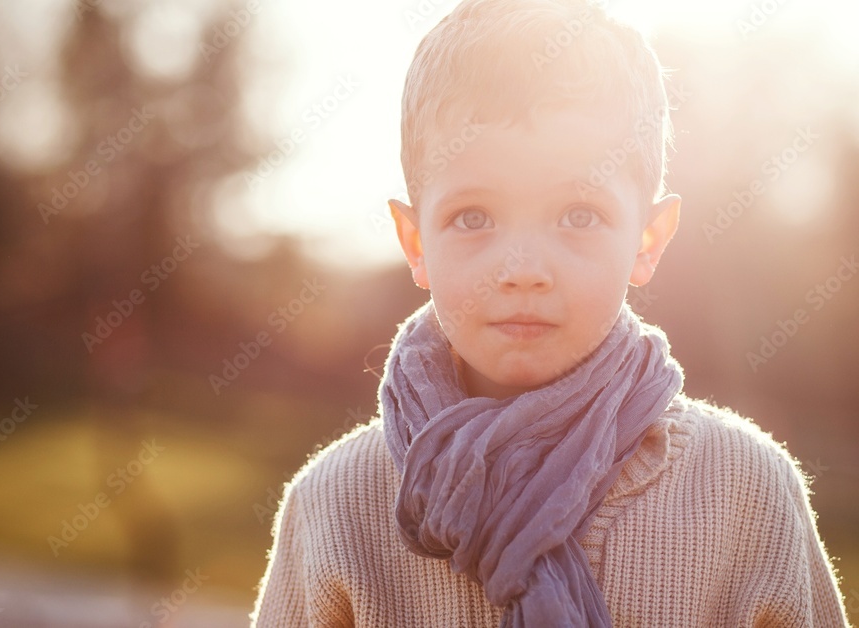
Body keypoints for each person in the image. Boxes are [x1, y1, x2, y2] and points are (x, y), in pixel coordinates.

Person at [251, 0, 850, 625]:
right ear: (416, 243)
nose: (523, 269)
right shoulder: (336, 505)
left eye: (579, 215)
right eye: (473, 218)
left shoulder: (744, 490)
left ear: (648, 240)